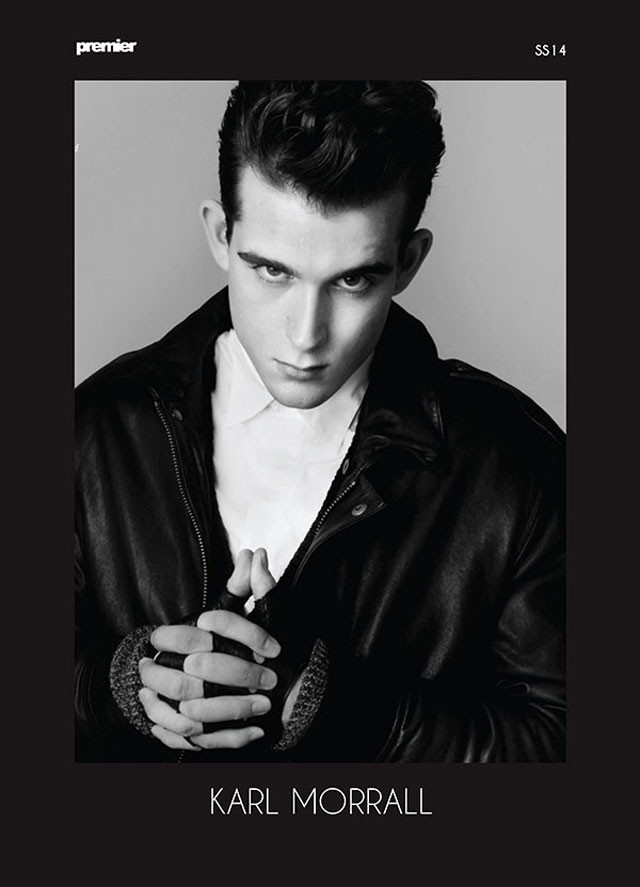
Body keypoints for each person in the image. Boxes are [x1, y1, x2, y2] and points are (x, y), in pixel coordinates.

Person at [75, 81, 565, 763]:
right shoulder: (94, 429)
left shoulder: (516, 465)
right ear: (220, 234)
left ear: (409, 261)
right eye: (272, 271)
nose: (306, 337)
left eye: (353, 280)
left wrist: (339, 707)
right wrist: (119, 689)